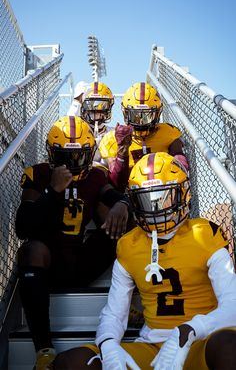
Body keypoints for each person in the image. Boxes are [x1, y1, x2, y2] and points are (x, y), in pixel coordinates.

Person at [53, 152, 236, 370]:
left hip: (200, 342)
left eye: (163, 197)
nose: (155, 210)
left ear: (183, 193)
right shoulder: (129, 245)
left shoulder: (205, 234)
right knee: (70, 362)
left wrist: (191, 329)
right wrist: (108, 343)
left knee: (230, 348)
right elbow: (114, 313)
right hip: (152, 349)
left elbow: (233, 306)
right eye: (146, 199)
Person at [15, 115, 131, 370]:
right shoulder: (40, 175)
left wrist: (122, 205)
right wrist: (52, 191)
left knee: (125, 230)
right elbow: (22, 227)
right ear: (51, 154)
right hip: (48, 267)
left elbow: (114, 196)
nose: (71, 164)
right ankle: (44, 349)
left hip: (81, 263)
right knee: (32, 249)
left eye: (78, 156)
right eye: (64, 157)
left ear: (89, 154)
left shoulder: (95, 176)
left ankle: (133, 303)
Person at [99, 82, 189, 192]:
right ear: (126, 113)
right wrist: (123, 149)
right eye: (136, 116)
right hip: (130, 192)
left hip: (164, 190)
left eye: (147, 115)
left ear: (157, 114)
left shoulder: (168, 132)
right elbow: (117, 183)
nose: (141, 122)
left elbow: (180, 163)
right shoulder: (111, 139)